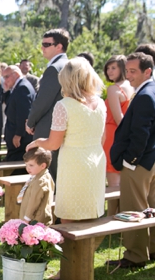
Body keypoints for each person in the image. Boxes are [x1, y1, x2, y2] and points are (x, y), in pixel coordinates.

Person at [26, 57, 106, 223]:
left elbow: (53, 144)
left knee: (69, 214)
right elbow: (102, 137)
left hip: (73, 163)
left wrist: (37, 142)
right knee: (91, 212)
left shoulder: (64, 105)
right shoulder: (101, 103)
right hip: (97, 159)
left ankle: (71, 250)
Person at [108, 52, 155, 269]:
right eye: (128, 71)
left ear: (147, 71)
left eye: (133, 71)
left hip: (140, 161)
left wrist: (129, 160)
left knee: (134, 208)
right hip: (152, 158)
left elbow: (139, 134)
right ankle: (152, 249)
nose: (129, 75)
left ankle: (135, 256)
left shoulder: (145, 95)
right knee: (152, 205)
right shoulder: (154, 91)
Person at [26, 29, 70, 181]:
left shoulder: (54, 68)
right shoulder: (70, 65)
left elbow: (43, 101)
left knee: (48, 174)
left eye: (47, 44)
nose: (42, 48)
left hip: (49, 128)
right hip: (65, 127)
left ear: (59, 47)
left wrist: (30, 122)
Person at [102, 55, 134, 187]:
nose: (110, 71)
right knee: (121, 179)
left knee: (113, 180)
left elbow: (118, 118)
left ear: (122, 68)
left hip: (113, 135)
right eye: (108, 68)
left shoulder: (114, 89)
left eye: (114, 68)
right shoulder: (132, 86)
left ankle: (114, 208)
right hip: (126, 134)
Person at [2, 65, 35, 162]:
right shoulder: (18, 86)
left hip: (20, 139)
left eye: (6, 77)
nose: (5, 80)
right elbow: (10, 105)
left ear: (16, 74)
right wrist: (6, 90)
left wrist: (18, 134)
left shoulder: (23, 87)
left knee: (16, 164)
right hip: (15, 136)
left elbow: (24, 114)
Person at [17, 148, 54, 225]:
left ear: (43, 165)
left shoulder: (40, 181)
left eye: (31, 165)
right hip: (35, 217)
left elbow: (34, 201)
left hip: (35, 219)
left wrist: (27, 218)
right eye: (26, 164)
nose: (28, 168)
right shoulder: (40, 176)